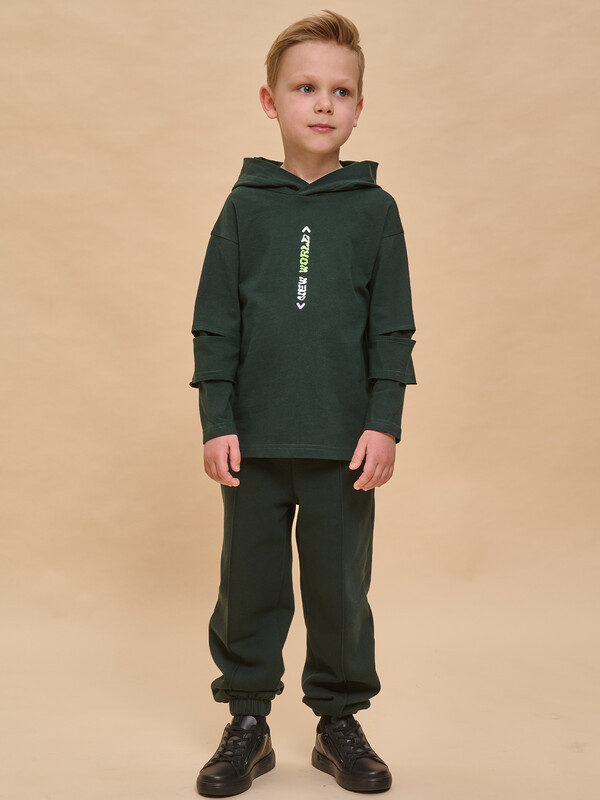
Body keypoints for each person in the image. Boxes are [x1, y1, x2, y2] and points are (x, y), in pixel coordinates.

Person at [189, 9, 417, 796]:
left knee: (339, 592)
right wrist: (218, 420)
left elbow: (391, 327)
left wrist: (383, 421)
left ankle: (338, 723)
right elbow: (216, 322)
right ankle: (247, 722)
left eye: (341, 91)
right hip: (252, 443)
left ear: (359, 106)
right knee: (248, 585)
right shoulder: (243, 207)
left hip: (342, 444)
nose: (323, 103)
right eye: (305, 88)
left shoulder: (375, 210)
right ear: (271, 100)